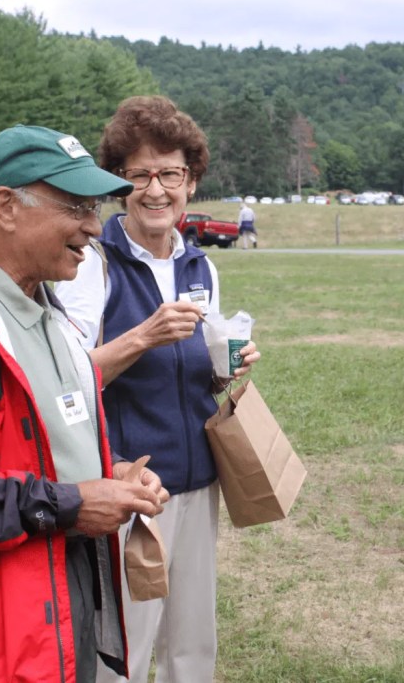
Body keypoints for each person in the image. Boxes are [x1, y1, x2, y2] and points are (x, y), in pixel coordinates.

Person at [0, 125, 169, 683]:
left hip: (59, 599)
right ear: (6, 206)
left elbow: (35, 441)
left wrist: (107, 476)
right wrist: (70, 503)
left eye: (94, 207)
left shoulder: (50, 311)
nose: (94, 226)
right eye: (76, 207)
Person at [55, 95, 261, 683]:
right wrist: (142, 336)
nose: (156, 189)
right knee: (128, 643)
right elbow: (67, 382)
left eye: (170, 173)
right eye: (140, 174)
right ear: (120, 182)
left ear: (190, 181)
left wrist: (228, 365)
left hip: (198, 477)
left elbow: (200, 366)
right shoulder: (91, 263)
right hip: (126, 484)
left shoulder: (202, 265)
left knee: (192, 643)